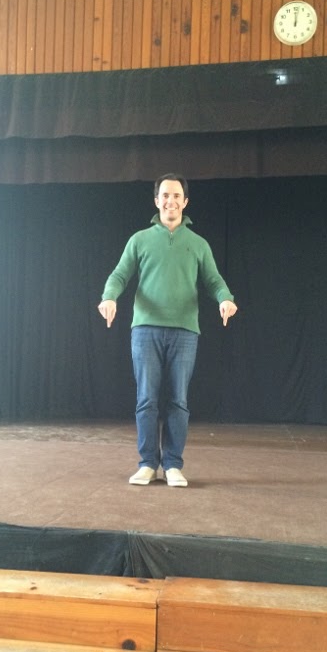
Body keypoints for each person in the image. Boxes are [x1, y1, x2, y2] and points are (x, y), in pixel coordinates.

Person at [98, 173, 237, 487]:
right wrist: (109, 297)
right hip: (145, 330)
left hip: (185, 332)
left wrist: (225, 299)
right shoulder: (140, 240)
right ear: (156, 200)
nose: (170, 201)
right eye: (165, 195)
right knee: (146, 399)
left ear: (185, 202)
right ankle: (148, 463)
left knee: (178, 401)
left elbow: (214, 280)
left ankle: (173, 464)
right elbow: (119, 275)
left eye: (176, 196)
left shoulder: (198, 244)